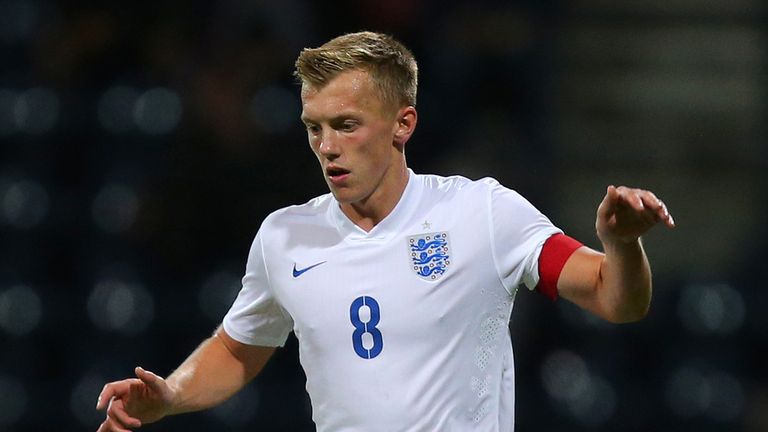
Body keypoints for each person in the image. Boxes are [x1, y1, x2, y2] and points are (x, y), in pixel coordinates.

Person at [96, 31, 675, 432]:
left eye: (346, 125)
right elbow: (236, 348)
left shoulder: (484, 214)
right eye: (314, 128)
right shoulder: (285, 237)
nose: (326, 147)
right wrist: (170, 395)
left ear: (404, 124)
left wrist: (623, 244)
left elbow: (614, 299)